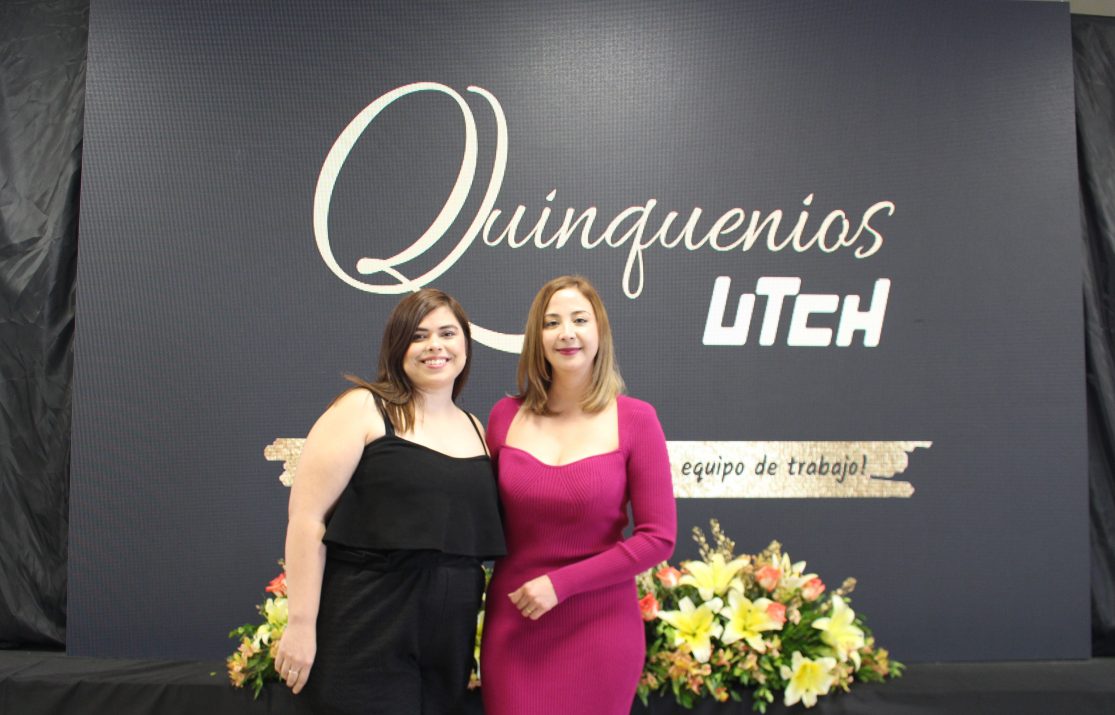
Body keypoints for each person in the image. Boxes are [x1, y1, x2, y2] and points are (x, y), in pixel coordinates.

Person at [273, 288, 505, 715]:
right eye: (419, 335)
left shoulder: (475, 427)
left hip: (449, 635)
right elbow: (307, 519)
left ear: (465, 345)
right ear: (398, 347)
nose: (435, 345)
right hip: (369, 619)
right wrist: (301, 624)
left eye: (447, 333)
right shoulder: (363, 408)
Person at [480, 275, 677, 715]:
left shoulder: (637, 419)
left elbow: (658, 538)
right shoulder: (504, 417)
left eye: (579, 320)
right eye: (552, 323)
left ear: (599, 331)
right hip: (516, 625)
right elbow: (479, 518)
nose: (566, 333)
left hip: (601, 629)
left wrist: (561, 584)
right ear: (537, 339)